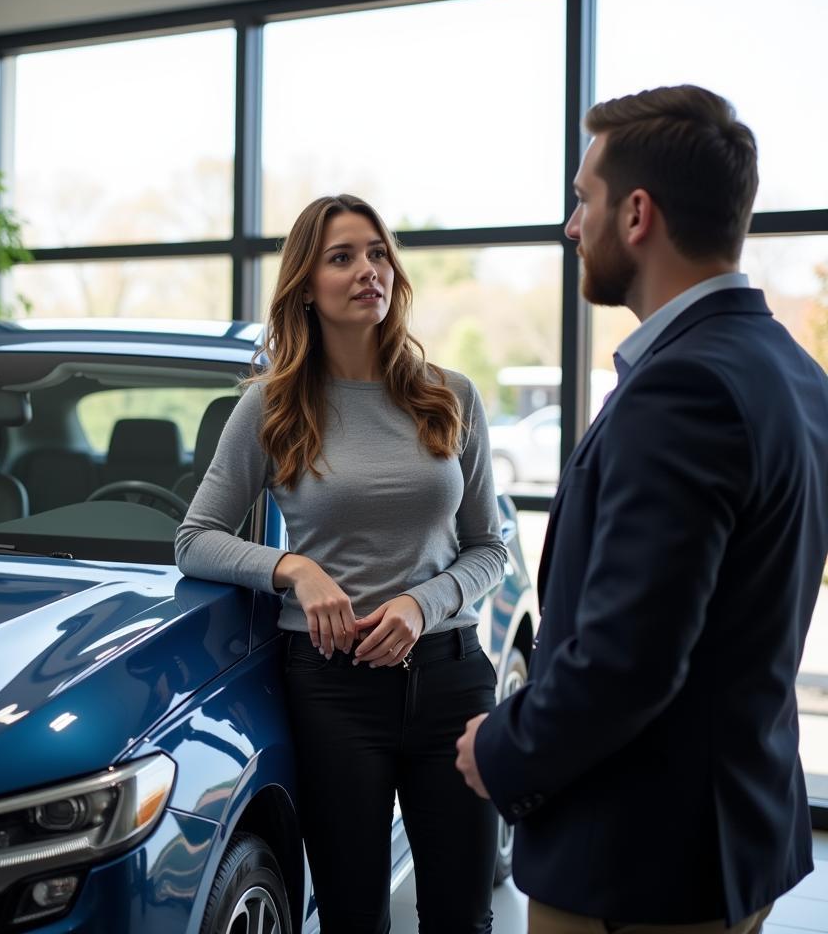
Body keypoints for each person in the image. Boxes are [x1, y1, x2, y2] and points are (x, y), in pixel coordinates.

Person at [456, 84, 828, 932]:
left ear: (636, 215)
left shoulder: (682, 388)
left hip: (636, 863)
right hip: (735, 836)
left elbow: (629, 659)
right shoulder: (797, 376)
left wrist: (502, 748)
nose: (569, 226)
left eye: (582, 199)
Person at [176, 193, 508, 934]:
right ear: (307, 286)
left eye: (378, 252)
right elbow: (195, 537)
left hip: (450, 678)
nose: (369, 270)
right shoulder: (272, 407)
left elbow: (490, 545)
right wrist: (294, 569)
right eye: (343, 257)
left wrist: (424, 602)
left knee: (463, 918)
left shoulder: (450, 397)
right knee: (352, 918)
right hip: (333, 690)